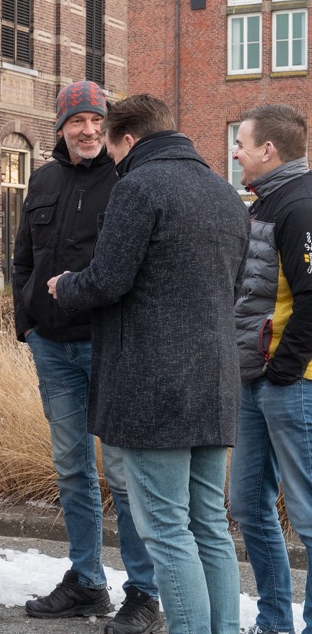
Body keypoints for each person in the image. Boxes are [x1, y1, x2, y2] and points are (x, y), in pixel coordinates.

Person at [48, 94, 250, 634]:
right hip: (215, 381)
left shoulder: (137, 187)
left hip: (151, 385)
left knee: (165, 527)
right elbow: (230, 288)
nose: (111, 159)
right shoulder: (225, 193)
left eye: (112, 146)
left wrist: (65, 286)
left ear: (129, 140)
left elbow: (109, 279)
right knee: (209, 524)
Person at [12, 82, 161, 632]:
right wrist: (25, 321)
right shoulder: (43, 179)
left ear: (110, 126)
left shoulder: (128, 179)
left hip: (109, 346)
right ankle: (87, 581)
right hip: (52, 348)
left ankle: (143, 592)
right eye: (78, 121)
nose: (89, 130)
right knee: (72, 469)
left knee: (124, 475)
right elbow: (22, 256)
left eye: (97, 121)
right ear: (62, 127)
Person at [229, 103, 312, 634]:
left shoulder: (299, 205)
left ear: (268, 150)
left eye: (241, 143)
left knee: (308, 517)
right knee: (248, 507)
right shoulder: (265, 203)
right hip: (255, 381)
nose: (234, 152)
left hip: (290, 384)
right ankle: (275, 620)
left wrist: (283, 368)